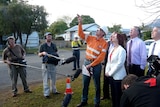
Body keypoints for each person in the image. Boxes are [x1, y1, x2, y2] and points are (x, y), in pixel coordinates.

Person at [76, 14, 108, 107]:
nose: (97, 30)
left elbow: (101, 57)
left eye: (99, 29)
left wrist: (91, 65)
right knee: (85, 83)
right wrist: (80, 23)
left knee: (97, 84)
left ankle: (96, 102)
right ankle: (84, 100)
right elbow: (80, 34)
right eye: (98, 29)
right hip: (87, 62)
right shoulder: (90, 38)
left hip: (96, 65)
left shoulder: (104, 43)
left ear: (103, 33)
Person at [105, 33, 127, 107]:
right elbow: (109, 61)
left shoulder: (121, 50)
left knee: (118, 96)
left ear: (118, 39)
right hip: (112, 76)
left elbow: (120, 64)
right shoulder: (112, 49)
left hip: (119, 76)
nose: (112, 37)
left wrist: (110, 73)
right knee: (113, 95)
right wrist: (106, 71)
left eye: (114, 36)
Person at [38, 32, 60, 98]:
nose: (49, 37)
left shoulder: (53, 45)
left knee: (53, 78)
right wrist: (43, 53)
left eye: (50, 36)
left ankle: (54, 90)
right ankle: (46, 93)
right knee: (46, 79)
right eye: (48, 36)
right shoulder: (42, 45)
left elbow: (56, 53)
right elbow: (39, 54)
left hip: (53, 64)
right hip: (46, 64)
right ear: (45, 37)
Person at [101, 32, 115, 100]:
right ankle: (105, 95)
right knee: (105, 79)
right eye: (111, 36)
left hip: (113, 64)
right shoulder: (108, 43)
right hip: (107, 63)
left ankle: (113, 95)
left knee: (112, 79)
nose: (111, 37)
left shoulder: (117, 45)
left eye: (113, 36)